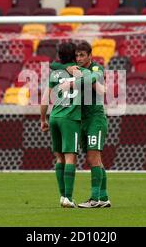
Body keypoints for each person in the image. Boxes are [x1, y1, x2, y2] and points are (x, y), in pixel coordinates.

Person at [50, 41, 110, 208]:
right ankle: (103, 197)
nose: (79, 58)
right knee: (95, 159)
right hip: (81, 119)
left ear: (90, 56)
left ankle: (95, 199)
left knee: (93, 158)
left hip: (95, 119)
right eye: (77, 55)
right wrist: (68, 69)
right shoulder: (74, 68)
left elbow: (95, 77)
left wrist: (71, 82)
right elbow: (53, 64)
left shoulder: (96, 68)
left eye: (82, 55)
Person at [40, 42, 89, 208]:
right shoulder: (79, 71)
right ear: (74, 54)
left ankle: (62, 196)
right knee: (71, 157)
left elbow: (45, 98)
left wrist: (42, 119)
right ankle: (68, 197)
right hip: (70, 118)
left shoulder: (55, 73)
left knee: (59, 157)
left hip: (54, 117)